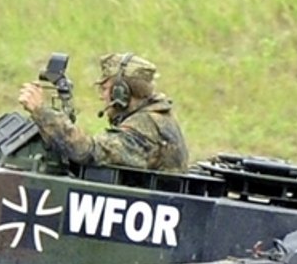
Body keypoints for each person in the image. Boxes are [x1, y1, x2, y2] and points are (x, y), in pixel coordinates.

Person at [17, 52, 189, 173]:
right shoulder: (157, 116)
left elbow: (88, 152)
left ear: (120, 93)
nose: (102, 96)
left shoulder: (144, 128)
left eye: (105, 89)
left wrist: (41, 112)